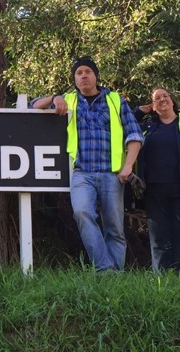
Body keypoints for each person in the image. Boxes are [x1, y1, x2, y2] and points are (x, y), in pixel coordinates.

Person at [30, 56, 143, 271]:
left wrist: (128, 166)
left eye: (87, 72)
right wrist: (54, 98)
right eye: (78, 73)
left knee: (115, 228)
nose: (83, 76)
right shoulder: (69, 99)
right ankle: (105, 270)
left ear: (95, 75)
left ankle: (113, 281)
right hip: (81, 173)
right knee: (82, 213)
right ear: (74, 79)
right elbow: (32, 105)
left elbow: (135, 135)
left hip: (112, 173)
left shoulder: (115, 100)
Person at [135, 88, 180, 273]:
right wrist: (139, 111)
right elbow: (123, 127)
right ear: (152, 105)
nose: (162, 100)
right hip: (153, 190)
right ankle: (162, 279)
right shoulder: (147, 126)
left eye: (165, 96)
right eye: (156, 98)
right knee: (159, 237)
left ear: (172, 100)